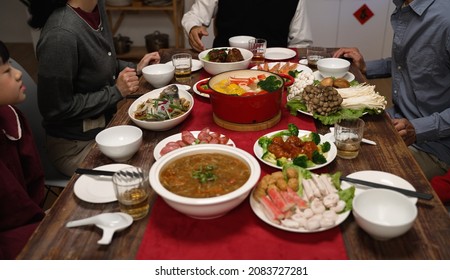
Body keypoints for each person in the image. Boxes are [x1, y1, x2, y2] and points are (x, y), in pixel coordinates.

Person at [22, 0, 161, 176]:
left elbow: (99, 63)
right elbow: (55, 109)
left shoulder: (95, 6)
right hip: (76, 146)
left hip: (106, 130)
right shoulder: (60, 35)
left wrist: (136, 69)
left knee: (159, 147)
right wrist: (116, 92)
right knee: (146, 172)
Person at [333, 0, 450, 181]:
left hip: (437, 147)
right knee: (332, 142)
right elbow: (409, 63)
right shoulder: (407, 6)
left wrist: (419, 129)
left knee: (354, 177)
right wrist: (365, 67)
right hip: (396, 122)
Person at [0, 41, 46, 259]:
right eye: (7, 71)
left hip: (30, 221)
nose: (19, 74)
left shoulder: (11, 115)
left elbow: (33, 181)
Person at [182, 0, 312, 52]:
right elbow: (194, 16)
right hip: (225, 65)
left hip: (273, 70)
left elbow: (301, 43)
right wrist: (193, 28)